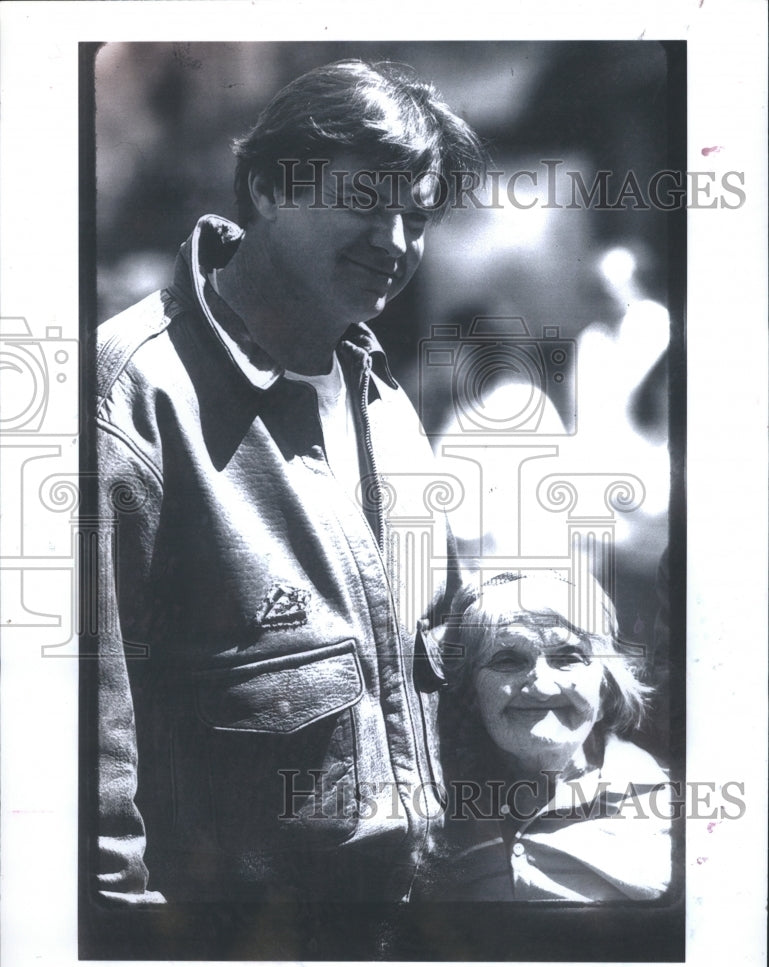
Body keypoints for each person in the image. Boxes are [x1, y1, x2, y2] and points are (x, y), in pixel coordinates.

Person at [93, 59, 486, 905]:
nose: (394, 244)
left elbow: (434, 646)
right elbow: (81, 737)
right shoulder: (133, 394)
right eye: (362, 202)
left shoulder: (381, 396)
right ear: (270, 187)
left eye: (416, 218)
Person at [423, 569, 672, 901]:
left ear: (606, 685)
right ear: (471, 691)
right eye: (508, 659)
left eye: (567, 658)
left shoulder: (667, 801)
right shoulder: (434, 804)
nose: (540, 686)